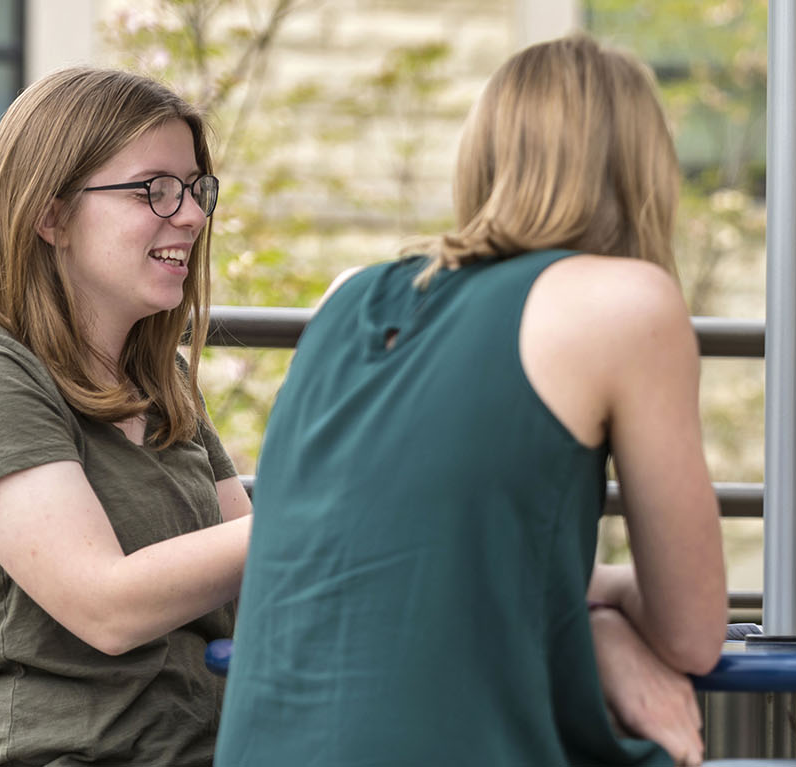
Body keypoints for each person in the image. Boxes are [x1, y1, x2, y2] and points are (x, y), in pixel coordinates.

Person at [215, 35, 729, 767]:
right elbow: (693, 630)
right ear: (643, 168)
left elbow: (428, 544)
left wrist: (594, 608)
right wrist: (607, 618)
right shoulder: (626, 302)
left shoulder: (345, 296)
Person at [0, 67, 250, 766]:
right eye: (154, 188)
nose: (190, 214)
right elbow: (108, 606)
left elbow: (258, 571)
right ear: (50, 213)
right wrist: (328, 506)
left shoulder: (165, 383)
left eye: (194, 188)